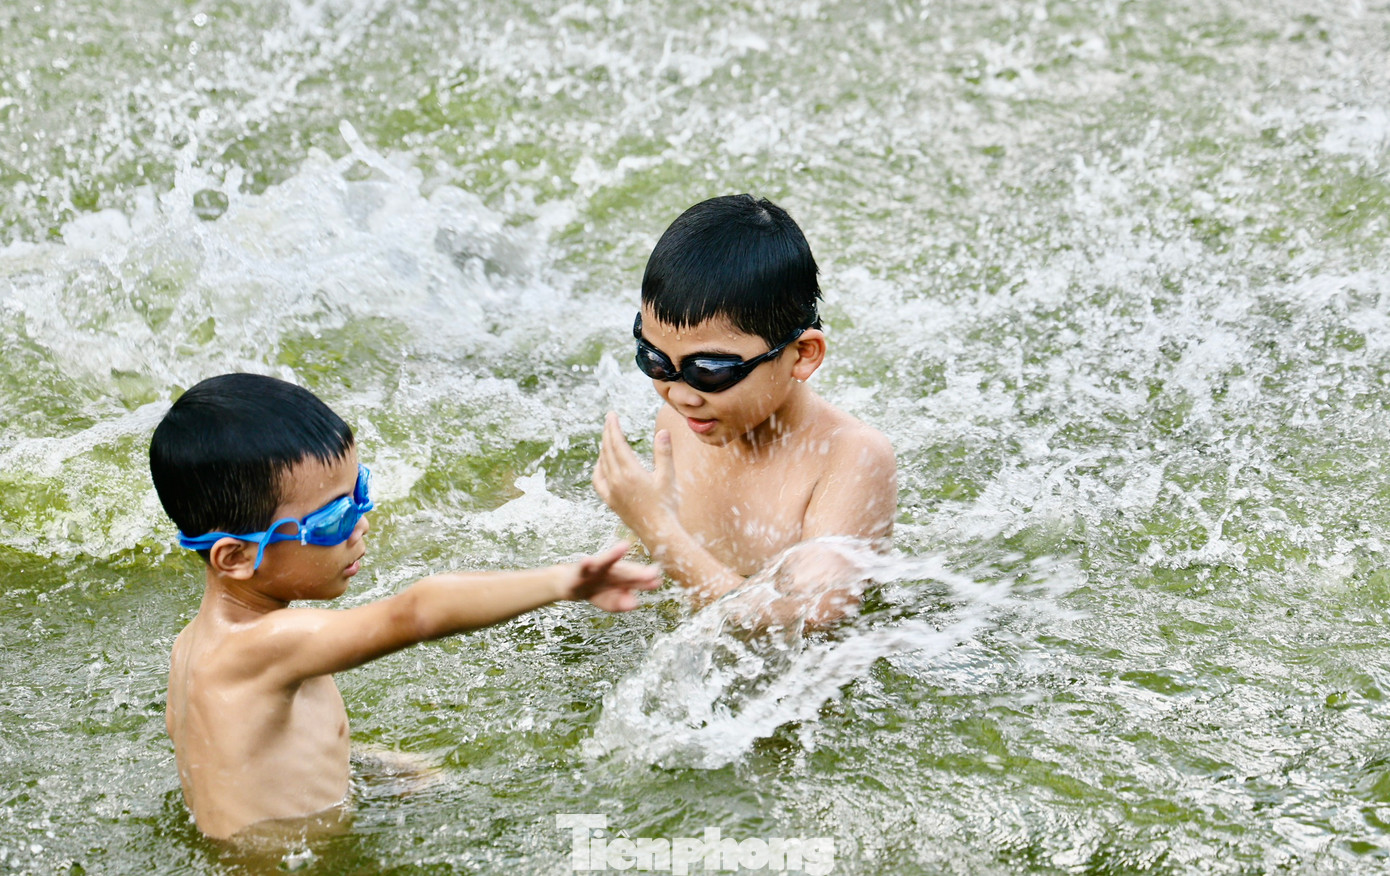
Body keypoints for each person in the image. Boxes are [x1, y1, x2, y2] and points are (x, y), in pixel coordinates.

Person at [149, 373, 659, 840]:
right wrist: (562, 581)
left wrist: (373, 767)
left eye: (360, 491)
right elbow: (417, 613)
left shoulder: (194, 646)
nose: (362, 523)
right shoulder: (264, 645)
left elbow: (244, 759)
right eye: (334, 518)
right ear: (237, 557)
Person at [592, 194, 896, 628]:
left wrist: (658, 531)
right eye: (654, 360)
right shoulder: (681, 422)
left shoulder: (850, 458)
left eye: (709, 371)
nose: (680, 394)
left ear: (802, 354)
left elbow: (806, 621)